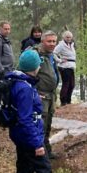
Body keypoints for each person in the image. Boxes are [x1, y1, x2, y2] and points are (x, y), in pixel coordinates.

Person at [5, 50, 56, 173]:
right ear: (34, 67)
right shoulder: (25, 88)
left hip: (19, 135)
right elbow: (25, 119)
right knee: (44, 170)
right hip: (28, 137)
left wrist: (35, 98)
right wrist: (37, 144)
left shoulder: (19, 83)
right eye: (38, 64)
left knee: (24, 168)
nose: (40, 66)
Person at [36, 30, 60, 159]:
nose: (52, 44)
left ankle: (47, 151)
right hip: (41, 96)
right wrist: (34, 92)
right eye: (49, 41)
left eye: (54, 41)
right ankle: (40, 153)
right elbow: (24, 74)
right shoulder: (35, 55)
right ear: (42, 41)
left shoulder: (51, 55)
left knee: (48, 123)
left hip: (51, 96)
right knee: (41, 124)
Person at [54, 30, 76, 105]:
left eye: (70, 37)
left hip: (71, 66)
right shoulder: (61, 45)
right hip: (64, 66)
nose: (68, 38)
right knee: (66, 84)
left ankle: (68, 100)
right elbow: (54, 53)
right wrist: (59, 60)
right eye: (67, 37)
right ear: (64, 37)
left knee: (72, 85)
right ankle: (63, 101)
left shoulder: (71, 45)